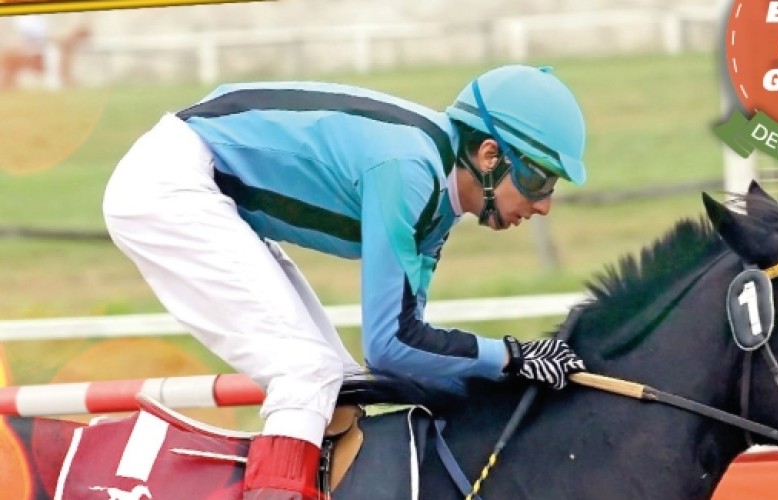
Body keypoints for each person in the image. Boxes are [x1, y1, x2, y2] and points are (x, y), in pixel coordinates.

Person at [102, 64, 588, 500]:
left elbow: (408, 351)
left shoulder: (438, 206)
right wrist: (509, 357)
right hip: (169, 182)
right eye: (539, 180)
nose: (544, 204)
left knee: (341, 384)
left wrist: (504, 383)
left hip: (209, 185)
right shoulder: (411, 172)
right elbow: (391, 344)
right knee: (307, 371)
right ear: (488, 155)